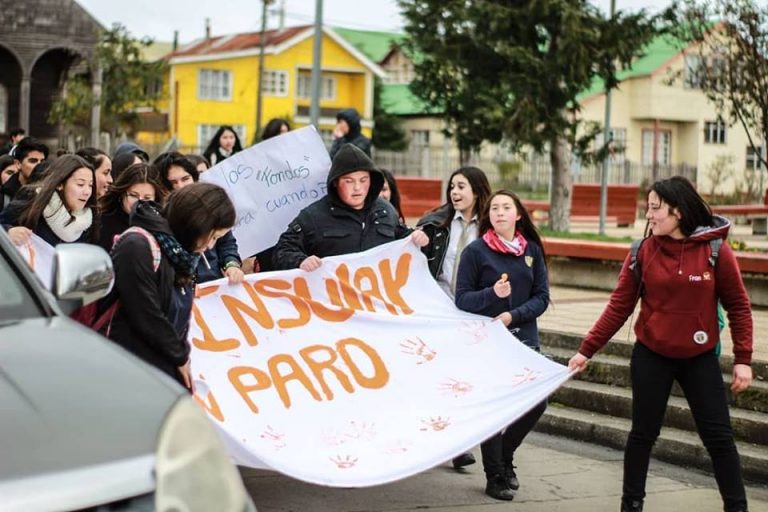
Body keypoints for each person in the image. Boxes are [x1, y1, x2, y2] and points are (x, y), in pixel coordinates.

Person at [568, 176, 752, 512]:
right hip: (652, 355)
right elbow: (619, 306)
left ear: (678, 211)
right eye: (647, 207)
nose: (648, 215)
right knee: (643, 434)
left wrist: (744, 358)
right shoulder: (643, 251)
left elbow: (739, 305)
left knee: (720, 438)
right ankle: (631, 504)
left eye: (655, 208)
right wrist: (586, 350)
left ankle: (737, 507)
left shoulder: (715, 250)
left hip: (699, 358)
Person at [455, 189, 549, 501]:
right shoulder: (476, 252)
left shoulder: (531, 250)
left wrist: (513, 315)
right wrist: (492, 295)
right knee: (495, 410)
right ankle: (495, 476)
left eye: (506, 207)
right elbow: (463, 300)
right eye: (494, 208)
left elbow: (541, 297)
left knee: (537, 402)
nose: (499, 212)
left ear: (518, 214)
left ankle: (505, 457)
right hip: (488, 344)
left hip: (524, 340)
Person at [105, 183, 236, 388]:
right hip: (128, 372)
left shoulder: (182, 256)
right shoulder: (137, 246)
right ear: (196, 224)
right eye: (214, 237)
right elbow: (146, 314)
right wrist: (180, 357)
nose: (211, 246)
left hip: (160, 372)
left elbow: (178, 320)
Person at [416, 166, 492, 470]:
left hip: (475, 313)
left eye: (461, 187)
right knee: (441, 378)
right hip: (440, 310)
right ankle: (453, 443)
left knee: (466, 380)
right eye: (451, 187)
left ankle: (458, 438)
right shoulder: (437, 223)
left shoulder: (489, 228)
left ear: (477, 190)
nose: (455, 193)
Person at [273, 143, 428, 271]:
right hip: (332, 301)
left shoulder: (385, 211)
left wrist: (415, 237)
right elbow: (283, 250)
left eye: (363, 180)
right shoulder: (313, 216)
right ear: (335, 182)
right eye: (349, 181)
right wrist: (300, 260)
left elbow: (403, 238)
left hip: (378, 302)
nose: (357, 188)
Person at [156, 151, 244, 284]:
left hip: (214, 285)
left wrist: (231, 264)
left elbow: (227, 242)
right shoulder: (162, 219)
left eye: (185, 179)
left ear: (195, 178)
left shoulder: (212, 206)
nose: (181, 186)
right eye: (173, 182)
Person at [3, 154, 97, 247]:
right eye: (80, 184)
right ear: (60, 184)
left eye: (90, 185)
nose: (87, 192)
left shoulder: (86, 220)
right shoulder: (32, 203)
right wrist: (8, 232)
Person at [97, 162, 166, 252]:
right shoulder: (102, 223)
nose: (139, 202)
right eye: (134, 195)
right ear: (122, 194)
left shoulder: (161, 226)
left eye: (147, 198)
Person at [1, 137, 49, 209]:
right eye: (33, 161)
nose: (39, 165)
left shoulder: (50, 194)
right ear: (18, 164)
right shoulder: (3, 197)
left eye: (42, 161)